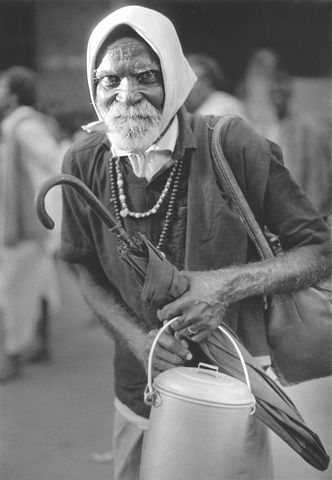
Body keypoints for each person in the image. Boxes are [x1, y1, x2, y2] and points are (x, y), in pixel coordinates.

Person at [58, 6, 331, 480]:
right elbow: (83, 265)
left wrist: (224, 286)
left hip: (236, 388)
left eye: (145, 75)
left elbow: (320, 251)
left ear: (174, 73)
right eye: (110, 81)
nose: (127, 95)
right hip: (137, 388)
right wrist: (137, 342)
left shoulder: (232, 143)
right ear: (93, 86)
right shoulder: (84, 160)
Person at [0, 66, 61, 382]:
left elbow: (56, 163)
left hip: (26, 223)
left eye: (2, 87)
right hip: (25, 221)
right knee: (38, 283)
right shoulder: (16, 124)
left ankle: (12, 355)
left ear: (13, 93)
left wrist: (43, 209)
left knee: (13, 288)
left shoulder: (21, 126)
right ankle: (39, 344)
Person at [268, 68, 331, 218]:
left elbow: (319, 174)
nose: (279, 97)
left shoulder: (308, 129)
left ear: (289, 94)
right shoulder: (264, 126)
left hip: (302, 206)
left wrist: (313, 211)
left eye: (282, 92)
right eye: (274, 92)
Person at [185, 53, 248, 119]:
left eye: (202, 79)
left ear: (212, 80)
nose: (196, 86)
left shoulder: (220, 105)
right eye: (190, 79)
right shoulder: (196, 109)